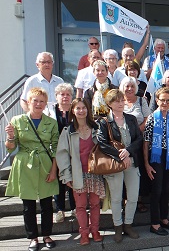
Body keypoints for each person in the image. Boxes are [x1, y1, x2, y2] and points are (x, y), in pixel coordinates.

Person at [5, 87, 59, 251]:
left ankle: (47, 235)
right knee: (28, 205)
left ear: (45, 104)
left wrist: (53, 170)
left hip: (44, 164)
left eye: (42, 101)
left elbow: (56, 148)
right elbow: (10, 148)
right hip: (24, 164)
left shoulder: (52, 123)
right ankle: (33, 238)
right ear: (28, 102)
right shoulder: (17, 120)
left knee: (46, 204)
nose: (38, 104)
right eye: (35, 100)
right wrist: (10, 137)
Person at [56, 98, 105, 246]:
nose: (81, 111)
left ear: (88, 110)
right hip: (78, 174)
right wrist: (66, 175)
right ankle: (84, 233)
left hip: (95, 173)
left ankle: (95, 230)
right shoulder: (68, 130)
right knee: (81, 205)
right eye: (78, 108)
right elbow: (62, 154)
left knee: (96, 204)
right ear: (73, 110)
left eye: (84, 108)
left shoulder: (96, 128)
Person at [98, 89, 142, 243]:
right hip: (114, 164)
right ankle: (118, 226)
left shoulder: (131, 119)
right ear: (109, 104)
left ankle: (128, 224)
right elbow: (102, 143)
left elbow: (139, 139)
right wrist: (120, 156)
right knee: (116, 198)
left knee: (133, 196)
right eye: (117, 101)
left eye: (122, 100)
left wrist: (128, 152)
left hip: (132, 162)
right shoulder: (104, 122)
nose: (121, 103)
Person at [143, 87, 169, 235]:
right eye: (162, 100)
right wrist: (146, 164)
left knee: (166, 189)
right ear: (157, 101)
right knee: (157, 190)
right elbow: (145, 141)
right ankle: (155, 223)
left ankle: (164, 218)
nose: (165, 103)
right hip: (155, 156)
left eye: (168, 100)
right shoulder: (152, 117)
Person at [119, 77, 151, 213]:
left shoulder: (141, 100)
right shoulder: (119, 101)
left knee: (139, 171)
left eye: (132, 86)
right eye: (127, 86)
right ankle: (124, 199)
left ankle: (138, 199)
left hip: (139, 141)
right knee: (124, 169)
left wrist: (135, 132)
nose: (130, 89)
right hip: (122, 143)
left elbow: (147, 118)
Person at [51, 83, 76, 223]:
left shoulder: (75, 110)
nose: (65, 97)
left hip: (73, 151)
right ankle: (60, 209)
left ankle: (74, 208)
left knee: (73, 179)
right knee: (59, 182)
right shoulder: (51, 111)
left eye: (68, 94)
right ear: (57, 96)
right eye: (62, 94)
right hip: (56, 151)